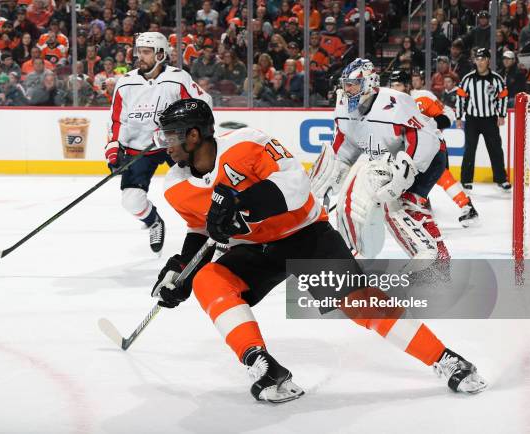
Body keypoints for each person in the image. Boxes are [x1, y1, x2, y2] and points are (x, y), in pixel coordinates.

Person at [151, 97, 487, 403]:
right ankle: (262, 365)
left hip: (306, 236)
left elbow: (296, 186)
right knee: (207, 279)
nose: (165, 144)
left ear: (193, 136)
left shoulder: (247, 143)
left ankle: (445, 358)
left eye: (170, 135)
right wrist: (184, 269)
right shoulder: (174, 186)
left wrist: (241, 203)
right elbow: (200, 230)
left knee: (360, 304)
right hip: (257, 250)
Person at [310, 59, 451, 264]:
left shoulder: (395, 102)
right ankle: (358, 253)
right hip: (395, 159)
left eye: (353, 84)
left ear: (369, 83)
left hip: (429, 155)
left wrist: (407, 170)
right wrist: (333, 172)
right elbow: (345, 145)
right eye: (345, 84)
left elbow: (423, 138)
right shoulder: (343, 107)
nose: (347, 89)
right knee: (354, 203)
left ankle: (436, 262)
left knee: (402, 205)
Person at [105, 32, 212, 254]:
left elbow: (202, 104)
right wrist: (114, 148)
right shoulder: (125, 83)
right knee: (131, 200)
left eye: (146, 52)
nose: (140, 57)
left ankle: (212, 226)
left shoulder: (178, 78)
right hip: (138, 147)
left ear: (161, 54)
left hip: (174, 143)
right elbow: (117, 119)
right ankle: (154, 221)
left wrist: (180, 133)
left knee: (200, 186)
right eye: (139, 52)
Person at [389, 69, 479, 227]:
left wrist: (430, 124)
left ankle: (467, 206)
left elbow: (448, 113)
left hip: (432, 145)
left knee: (440, 175)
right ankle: (421, 206)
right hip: (407, 148)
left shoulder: (422, 97)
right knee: (406, 177)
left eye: (399, 85)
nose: (395, 89)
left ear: (407, 85)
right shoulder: (388, 102)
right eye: (393, 85)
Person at [456, 48, 511, 191]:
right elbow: (460, 98)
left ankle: (501, 179)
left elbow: (503, 97)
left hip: (490, 120)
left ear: (488, 60)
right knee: (469, 150)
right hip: (472, 119)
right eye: (477, 59)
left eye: (482, 59)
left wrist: (501, 115)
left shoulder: (497, 79)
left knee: (495, 150)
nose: (479, 62)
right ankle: (466, 180)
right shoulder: (468, 79)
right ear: (474, 61)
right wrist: (458, 117)